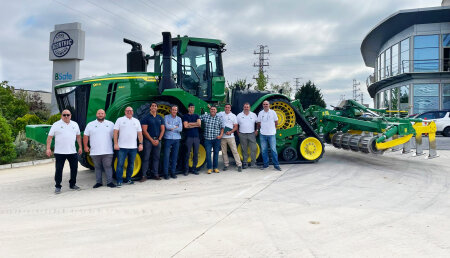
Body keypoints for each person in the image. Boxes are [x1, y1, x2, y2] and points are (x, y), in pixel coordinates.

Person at [46, 109, 82, 194]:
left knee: (74, 169)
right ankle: (58, 186)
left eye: (68, 115)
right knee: (59, 169)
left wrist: (80, 147)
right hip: (59, 152)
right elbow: (50, 137)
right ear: (61, 115)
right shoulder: (56, 124)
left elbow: (78, 136)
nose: (66, 116)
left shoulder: (75, 124)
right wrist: (48, 148)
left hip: (72, 152)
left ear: (70, 116)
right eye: (64, 115)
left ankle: (72, 184)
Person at [83, 109, 116, 188]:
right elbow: (85, 136)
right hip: (95, 151)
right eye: (99, 113)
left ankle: (110, 182)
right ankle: (99, 182)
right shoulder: (90, 124)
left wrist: (116, 144)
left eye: (102, 113)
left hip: (108, 151)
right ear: (96, 114)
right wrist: (85, 146)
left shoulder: (111, 124)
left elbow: (115, 135)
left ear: (105, 115)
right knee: (97, 168)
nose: (100, 115)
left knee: (108, 167)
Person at [113, 106, 144, 186]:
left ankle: (128, 179)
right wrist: (116, 143)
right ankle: (119, 181)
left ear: (133, 112)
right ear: (125, 112)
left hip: (133, 147)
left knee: (131, 164)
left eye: (130, 110)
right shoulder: (120, 120)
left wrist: (140, 144)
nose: (129, 112)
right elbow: (115, 132)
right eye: (127, 110)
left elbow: (140, 134)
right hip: (122, 147)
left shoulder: (136, 121)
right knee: (120, 164)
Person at [140, 102, 165, 182]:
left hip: (157, 140)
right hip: (148, 141)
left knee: (156, 158)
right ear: (150, 107)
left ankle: (155, 174)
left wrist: (159, 139)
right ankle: (144, 175)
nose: (154, 107)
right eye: (152, 106)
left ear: (157, 108)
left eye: (155, 106)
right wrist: (151, 140)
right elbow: (144, 131)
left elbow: (163, 129)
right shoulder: (146, 118)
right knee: (146, 158)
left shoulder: (160, 118)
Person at [257, 100, 281, 171]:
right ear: (262, 105)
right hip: (263, 134)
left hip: (271, 134)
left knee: (273, 150)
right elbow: (258, 123)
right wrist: (259, 130)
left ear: (269, 105)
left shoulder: (273, 112)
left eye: (266, 104)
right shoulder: (261, 113)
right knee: (264, 150)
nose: (265, 105)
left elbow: (276, 122)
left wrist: (274, 130)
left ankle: (276, 165)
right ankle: (266, 165)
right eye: (264, 104)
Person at [217, 104, 242, 172]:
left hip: (230, 136)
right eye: (226, 107)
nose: (227, 108)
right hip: (223, 136)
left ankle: (239, 165)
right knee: (224, 152)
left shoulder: (233, 116)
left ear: (230, 108)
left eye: (228, 107)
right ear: (224, 108)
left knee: (234, 151)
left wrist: (230, 132)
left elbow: (236, 127)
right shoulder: (220, 114)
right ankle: (226, 165)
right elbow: (214, 113)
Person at [200, 106, 223, 174]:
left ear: (216, 111)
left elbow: (222, 127)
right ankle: (209, 168)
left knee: (216, 154)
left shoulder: (219, 118)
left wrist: (221, 135)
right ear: (210, 110)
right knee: (208, 154)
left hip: (216, 139)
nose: (213, 110)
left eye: (214, 109)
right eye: (211, 109)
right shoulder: (205, 116)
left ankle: (215, 168)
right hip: (208, 139)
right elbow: (198, 117)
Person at [237, 102, 258, 169]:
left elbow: (258, 123)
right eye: (245, 107)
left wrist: (257, 130)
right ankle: (245, 163)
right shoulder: (239, 115)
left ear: (249, 108)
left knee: (253, 148)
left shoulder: (254, 115)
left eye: (247, 107)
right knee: (244, 149)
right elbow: (236, 124)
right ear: (243, 107)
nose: (246, 108)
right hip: (242, 134)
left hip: (251, 134)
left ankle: (253, 163)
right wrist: (238, 132)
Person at [163, 105, 182, 180]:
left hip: (177, 139)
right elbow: (167, 127)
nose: (174, 111)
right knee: (166, 156)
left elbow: (180, 129)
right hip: (168, 139)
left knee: (174, 156)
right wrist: (175, 127)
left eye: (175, 110)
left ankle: (173, 172)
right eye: (173, 110)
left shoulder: (179, 118)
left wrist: (172, 127)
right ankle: (166, 173)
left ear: (177, 111)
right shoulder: (166, 117)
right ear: (170, 110)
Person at [183, 103, 201, 175]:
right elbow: (185, 126)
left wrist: (190, 124)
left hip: (196, 137)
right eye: (191, 107)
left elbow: (199, 124)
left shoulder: (196, 115)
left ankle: (194, 169)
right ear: (188, 108)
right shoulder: (185, 116)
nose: (192, 109)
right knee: (187, 154)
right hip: (189, 137)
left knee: (196, 153)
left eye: (193, 107)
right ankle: (186, 170)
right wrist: (195, 124)